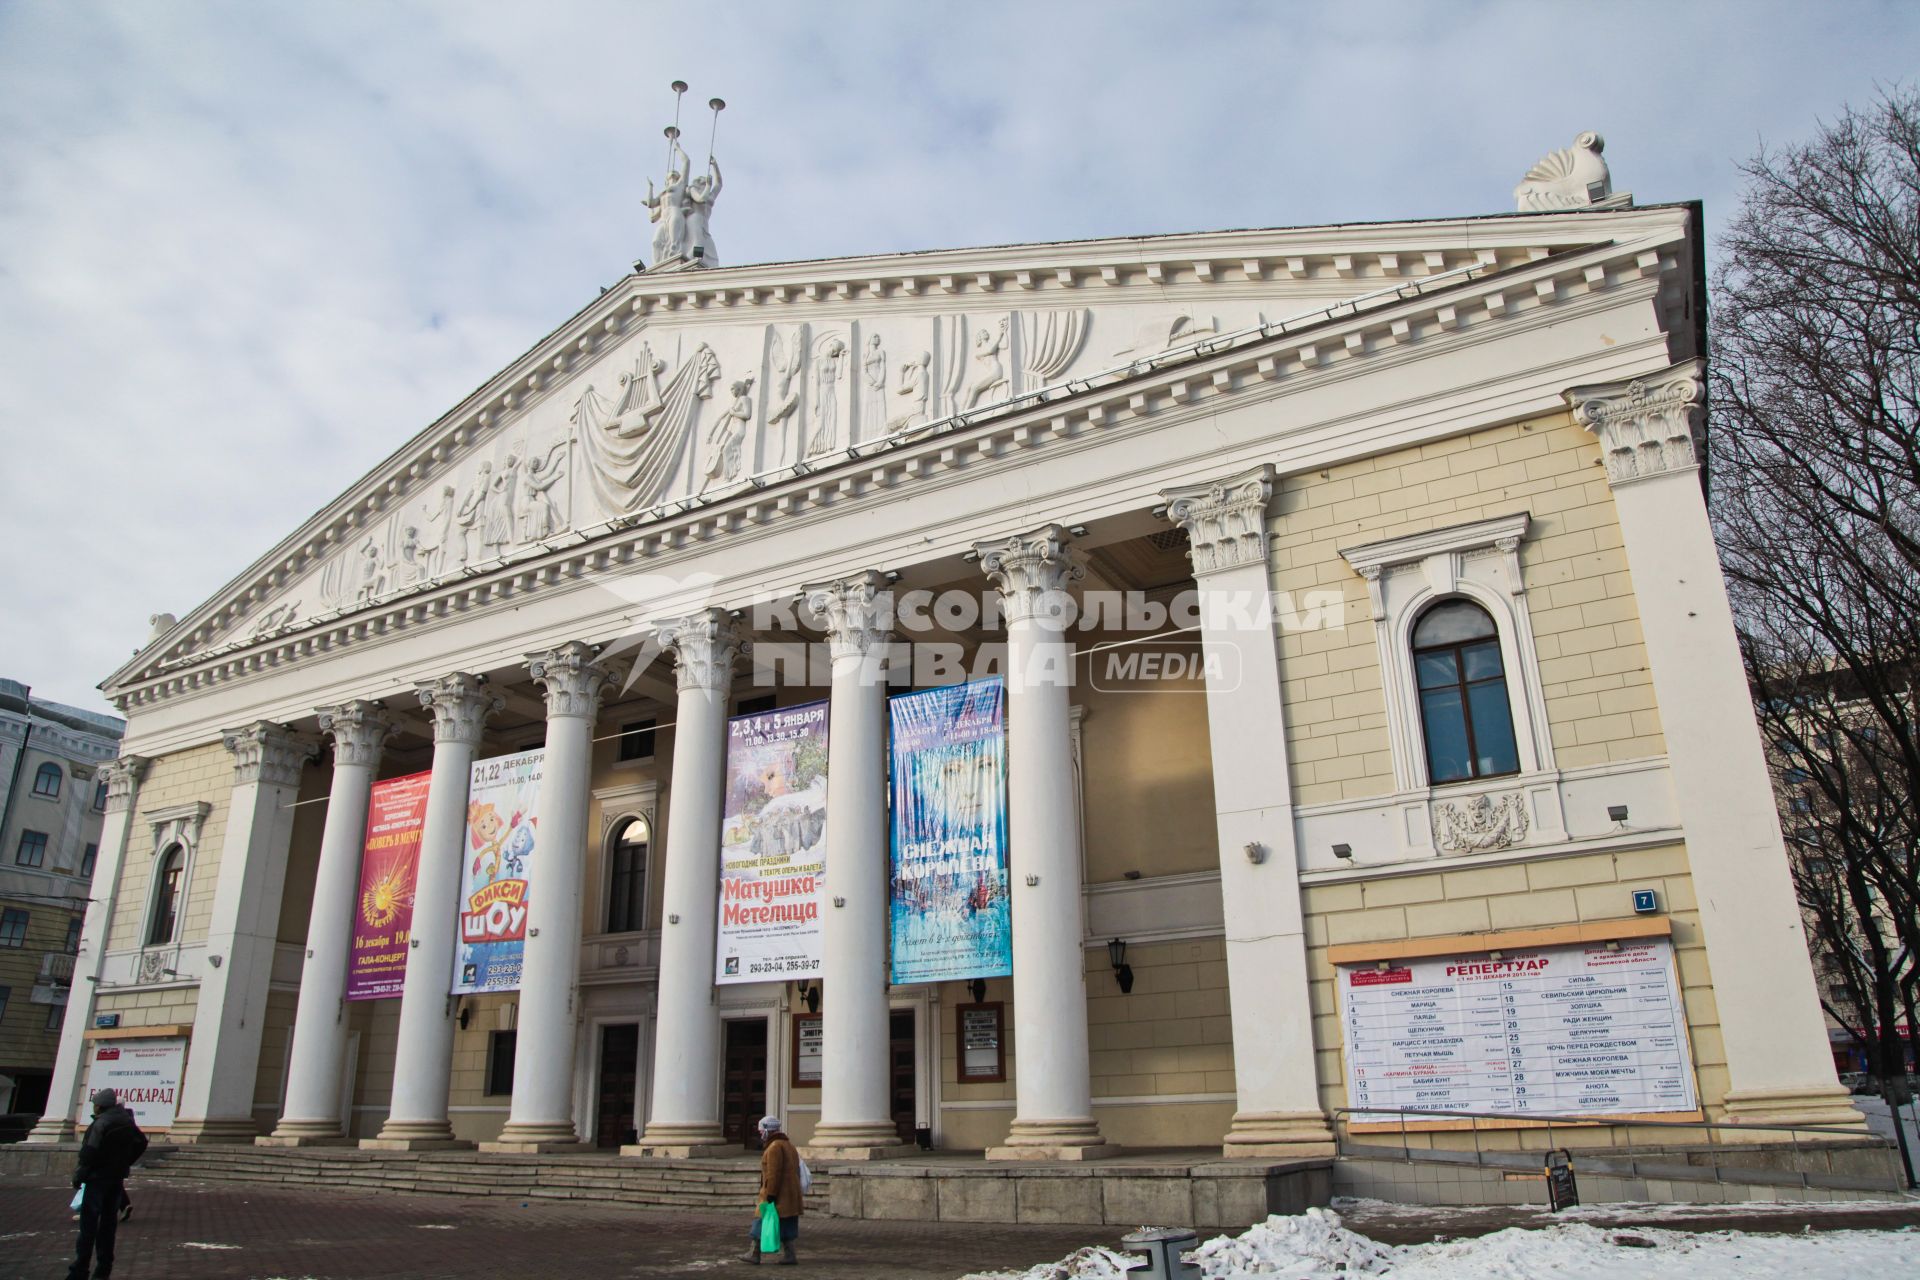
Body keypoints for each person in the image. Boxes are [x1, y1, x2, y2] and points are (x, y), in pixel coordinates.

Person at [68, 1087, 148, 1280]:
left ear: (100, 1106)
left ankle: (80, 1270)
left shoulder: (101, 1123)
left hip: (97, 1179)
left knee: (88, 1227)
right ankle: (103, 1269)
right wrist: (125, 1162)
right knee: (108, 1226)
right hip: (116, 1177)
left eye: (95, 1105)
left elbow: (89, 1151)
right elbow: (141, 1142)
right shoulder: (127, 1121)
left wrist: (80, 1175)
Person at [741, 1114, 802, 1266]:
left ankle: (754, 1253)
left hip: (777, 1194)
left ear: (769, 1130)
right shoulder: (789, 1145)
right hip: (790, 1195)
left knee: (761, 1222)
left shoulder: (774, 1147)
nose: (761, 1134)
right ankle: (790, 1254)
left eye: (762, 1131)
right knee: (787, 1224)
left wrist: (771, 1194)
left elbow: (773, 1173)